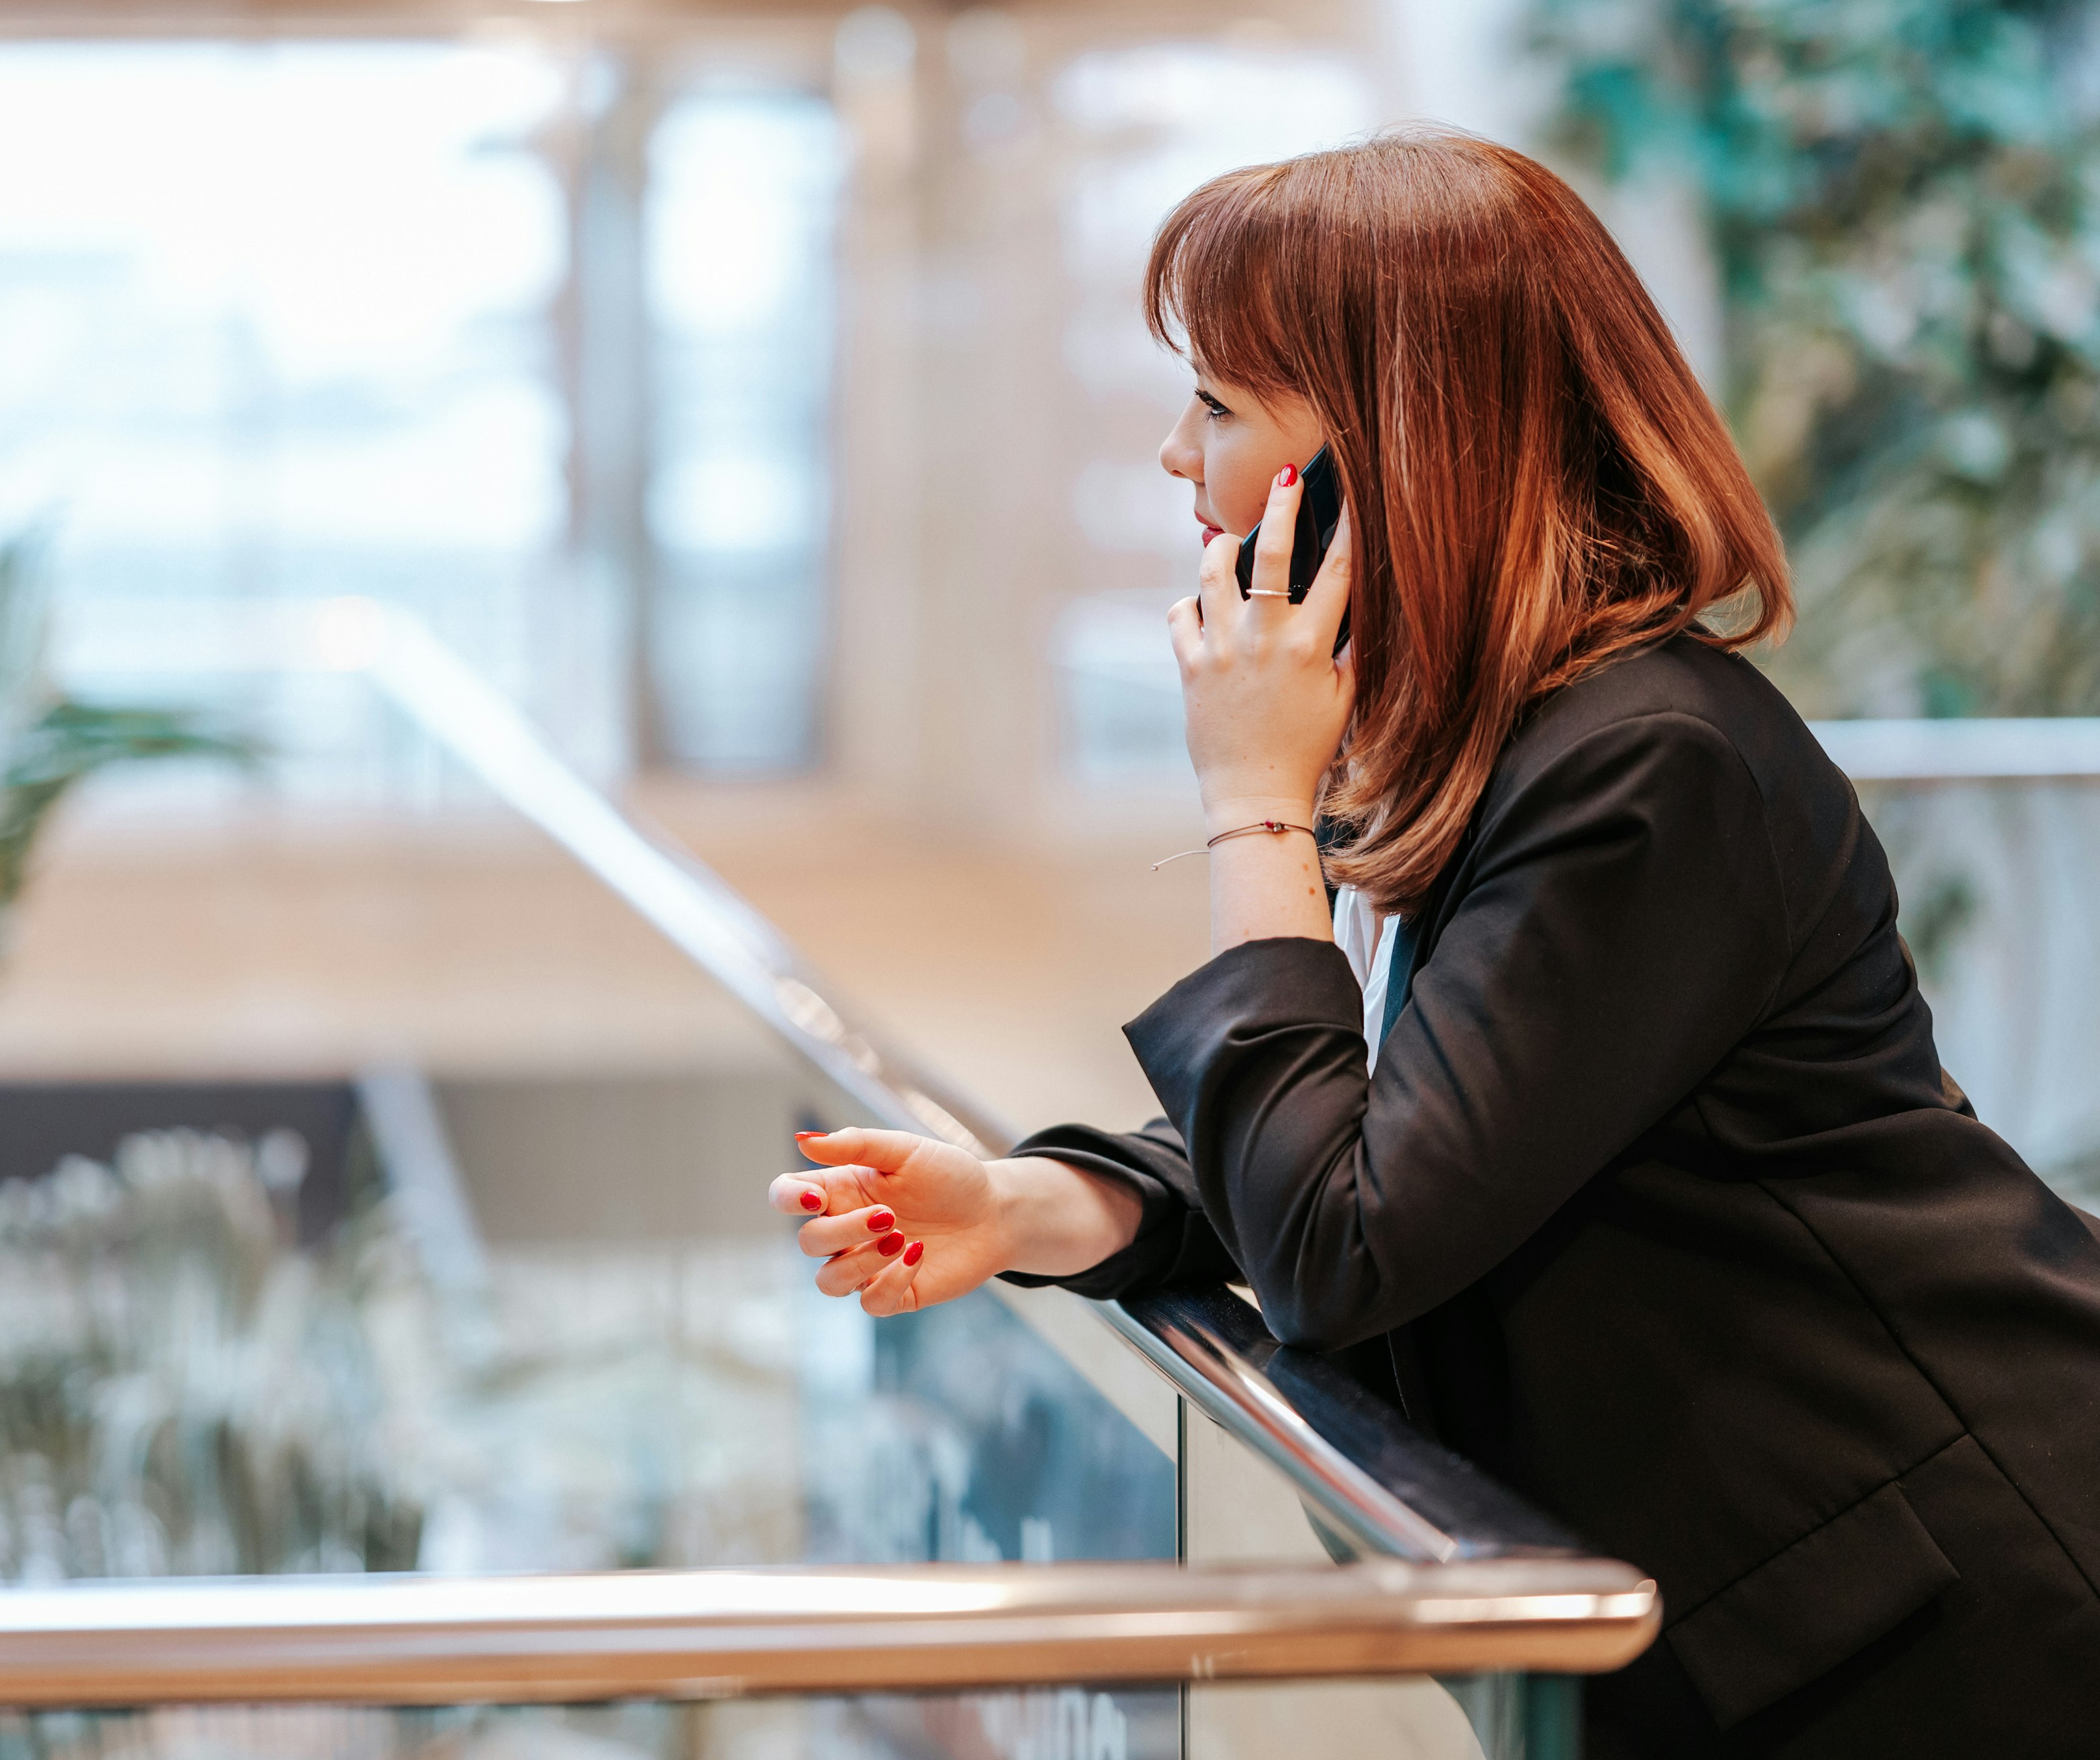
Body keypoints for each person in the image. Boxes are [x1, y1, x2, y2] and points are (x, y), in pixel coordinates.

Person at [767, 130, 2100, 1757]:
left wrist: (1250, 806)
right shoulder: (1483, 740)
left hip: (1955, 1610)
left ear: (1388, 447)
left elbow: (1348, 1237)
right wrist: (1046, 1200)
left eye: (1218, 407)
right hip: (1792, 1619)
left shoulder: (1645, 762)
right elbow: (1401, 1115)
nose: (1177, 461)